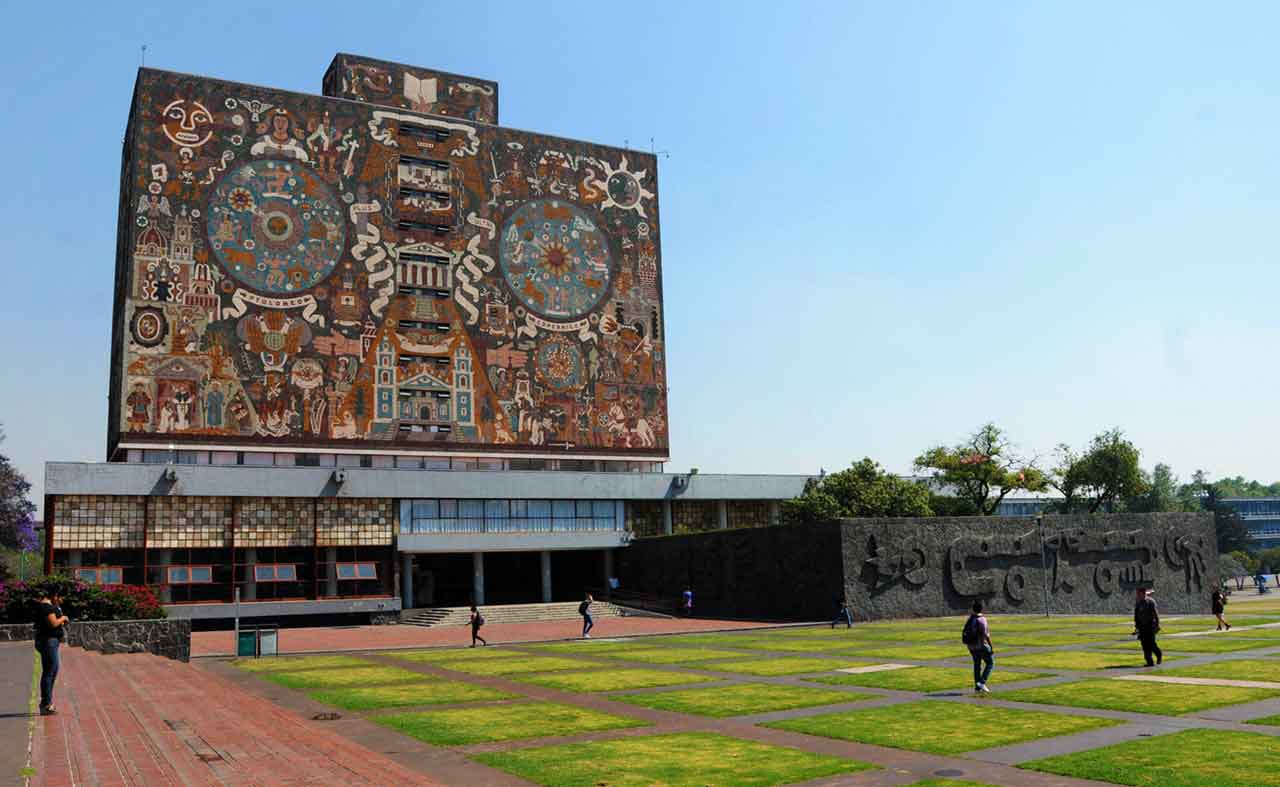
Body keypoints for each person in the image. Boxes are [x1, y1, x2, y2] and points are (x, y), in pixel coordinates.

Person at [34, 590, 69, 715]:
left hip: (49, 642)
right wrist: (63, 618)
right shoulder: (47, 607)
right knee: (50, 672)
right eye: (60, 597)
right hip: (49, 642)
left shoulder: (46, 606)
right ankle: (46, 704)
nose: (61, 600)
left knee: (51, 670)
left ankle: (46, 702)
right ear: (54, 595)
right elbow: (53, 623)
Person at [963, 600, 993, 694]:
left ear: (973, 609)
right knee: (990, 663)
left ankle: (977, 688)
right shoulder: (982, 619)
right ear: (982, 608)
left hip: (971, 646)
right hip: (980, 646)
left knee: (977, 666)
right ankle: (982, 682)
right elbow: (986, 635)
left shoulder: (970, 619)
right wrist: (991, 646)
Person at [1133, 587, 1163, 666]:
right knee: (1144, 645)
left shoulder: (1150, 602)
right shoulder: (1138, 602)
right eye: (1137, 594)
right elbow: (1136, 615)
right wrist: (1136, 627)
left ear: (1143, 593)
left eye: (1139, 593)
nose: (1137, 595)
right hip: (1142, 627)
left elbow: (1155, 615)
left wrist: (1157, 625)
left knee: (1151, 644)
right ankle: (1149, 662)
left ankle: (1159, 654)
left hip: (1150, 626)